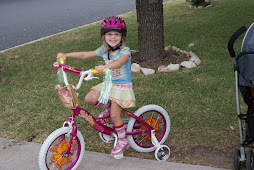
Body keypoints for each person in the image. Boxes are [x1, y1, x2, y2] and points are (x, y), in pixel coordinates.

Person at [57, 16, 136, 159]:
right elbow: (84, 54)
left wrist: (105, 67)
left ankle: (123, 140)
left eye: (116, 34)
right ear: (103, 36)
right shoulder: (104, 50)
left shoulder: (125, 51)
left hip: (121, 86)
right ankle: (108, 106)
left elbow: (119, 63)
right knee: (89, 98)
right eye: (109, 34)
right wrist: (65, 55)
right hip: (109, 84)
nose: (113, 37)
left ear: (122, 37)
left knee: (114, 115)